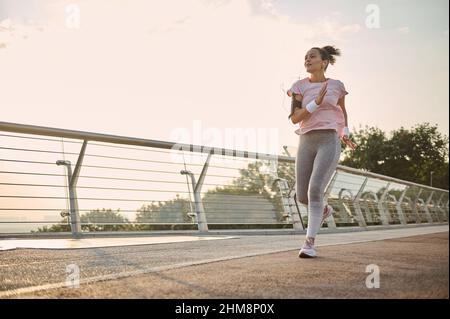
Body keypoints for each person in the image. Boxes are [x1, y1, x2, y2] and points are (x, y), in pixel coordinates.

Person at [287, 45, 357, 258]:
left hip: (329, 139)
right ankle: (324, 209)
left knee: (315, 189)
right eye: (305, 57)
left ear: (324, 62)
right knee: (301, 195)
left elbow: (342, 110)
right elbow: (294, 118)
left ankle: (309, 243)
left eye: (312, 56)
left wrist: (344, 131)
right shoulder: (299, 86)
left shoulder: (336, 85)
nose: (307, 59)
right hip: (306, 141)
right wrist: (315, 104)